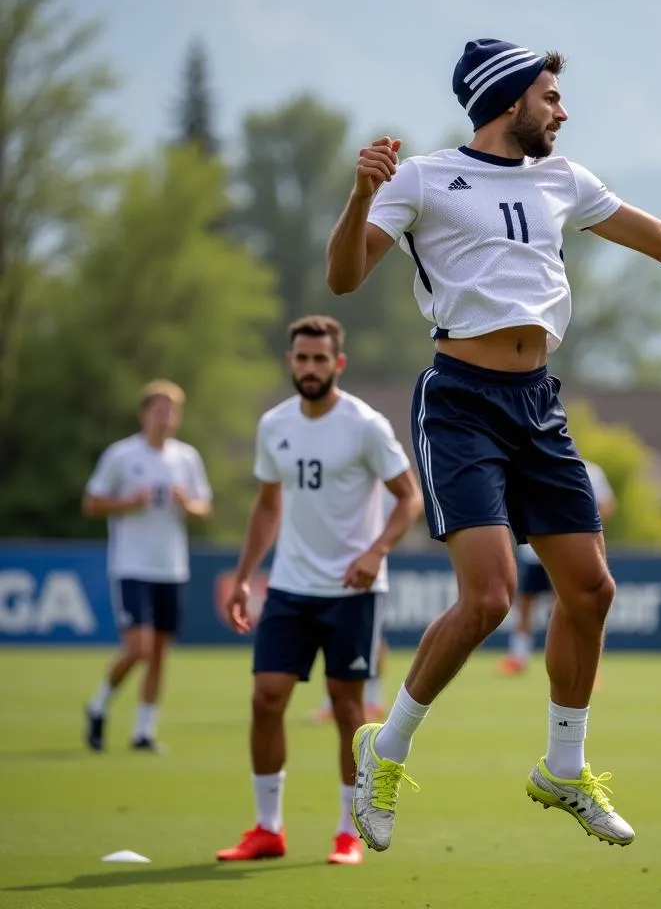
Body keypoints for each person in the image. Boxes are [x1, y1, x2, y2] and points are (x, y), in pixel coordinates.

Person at [325, 37, 661, 853]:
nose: (562, 112)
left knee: (593, 591)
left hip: (539, 405)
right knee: (491, 599)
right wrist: (361, 196)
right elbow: (344, 277)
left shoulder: (563, 179)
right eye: (549, 97)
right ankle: (382, 751)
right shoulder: (422, 177)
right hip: (460, 405)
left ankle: (563, 768)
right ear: (507, 99)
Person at [216, 316, 422, 867]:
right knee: (265, 700)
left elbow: (409, 498)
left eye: (319, 359)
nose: (310, 368)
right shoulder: (274, 425)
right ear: (291, 362)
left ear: (338, 363)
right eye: (301, 359)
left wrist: (375, 551)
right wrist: (243, 577)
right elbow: (267, 505)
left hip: (352, 592)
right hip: (288, 586)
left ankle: (347, 832)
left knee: (347, 707)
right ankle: (267, 828)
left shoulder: (365, 425)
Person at [83, 380, 212, 753]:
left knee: (159, 653)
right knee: (138, 648)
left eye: (172, 411)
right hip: (131, 565)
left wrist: (188, 504)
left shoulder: (186, 458)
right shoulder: (122, 455)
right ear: (144, 414)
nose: (167, 418)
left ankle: (144, 730)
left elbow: (204, 507)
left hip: (171, 567)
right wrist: (128, 502)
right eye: (160, 410)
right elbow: (92, 503)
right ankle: (98, 705)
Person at [500, 460, 617, 674]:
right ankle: (518, 658)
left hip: (567, 551)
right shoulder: (533, 466)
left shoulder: (591, 471)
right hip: (532, 551)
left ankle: (579, 666)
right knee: (525, 604)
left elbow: (606, 503)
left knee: (566, 606)